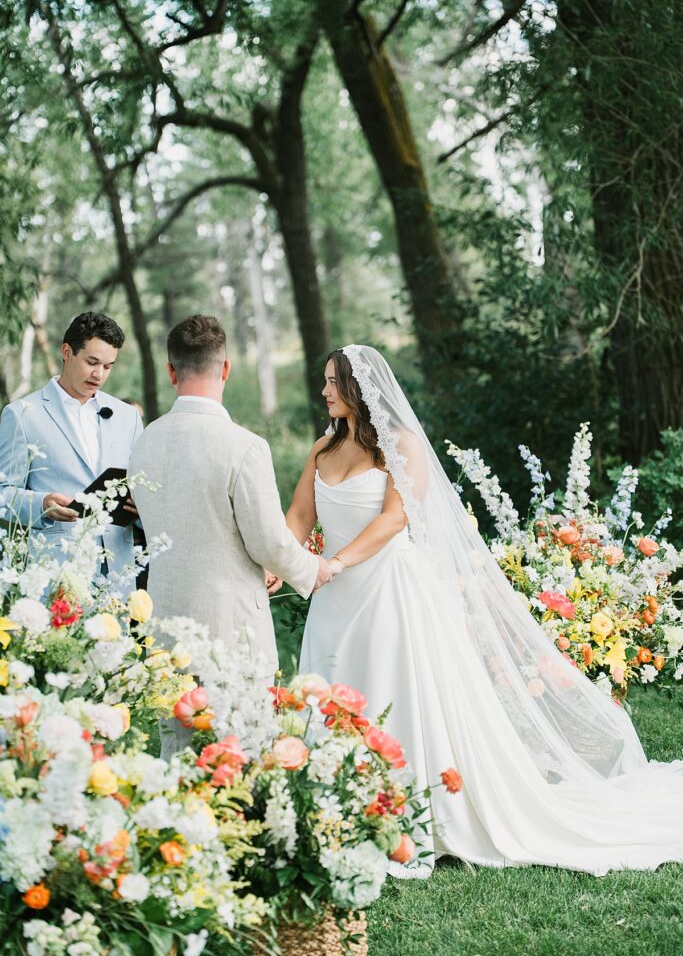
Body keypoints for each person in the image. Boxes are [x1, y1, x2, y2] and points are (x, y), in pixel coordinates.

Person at [287, 344, 683, 878]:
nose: (325, 391)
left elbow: (396, 518)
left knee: (390, 687)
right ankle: (340, 810)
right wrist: (282, 563)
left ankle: (415, 816)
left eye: (334, 382)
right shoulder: (321, 450)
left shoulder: (402, 445)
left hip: (387, 590)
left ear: (362, 388)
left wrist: (334, 563)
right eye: (326, 381)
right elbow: (299, 515)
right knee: (337, 691)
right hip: (335, 598)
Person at [129, 314, 332, 758]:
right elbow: (267, 542)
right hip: (232, 631)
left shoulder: (143, 442)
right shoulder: (243, 445)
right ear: (225, 369)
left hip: (164, 627)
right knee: (242, 754)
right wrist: (310, 569)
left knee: (177, 756)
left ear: (170, 371)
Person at [0, 312, 143, 576]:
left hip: (119, 578)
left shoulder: (129, 417)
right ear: (67, 352)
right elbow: (3, 493)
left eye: (108, 366)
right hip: (56, 576)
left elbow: (144, 485)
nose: (99, 374)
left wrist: (143, 506)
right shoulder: (21, 414)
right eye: (92, 362)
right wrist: (41, 503)